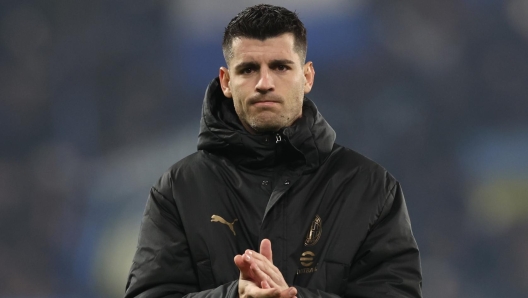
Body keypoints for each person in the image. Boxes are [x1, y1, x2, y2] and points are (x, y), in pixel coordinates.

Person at [124, 4, 422, 298]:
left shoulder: (371, 189)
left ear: (307, 77)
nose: (264, 83)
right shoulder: (178, 191)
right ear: (226, 81)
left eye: (280, 67)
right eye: (249, 69)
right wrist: (233, 296)